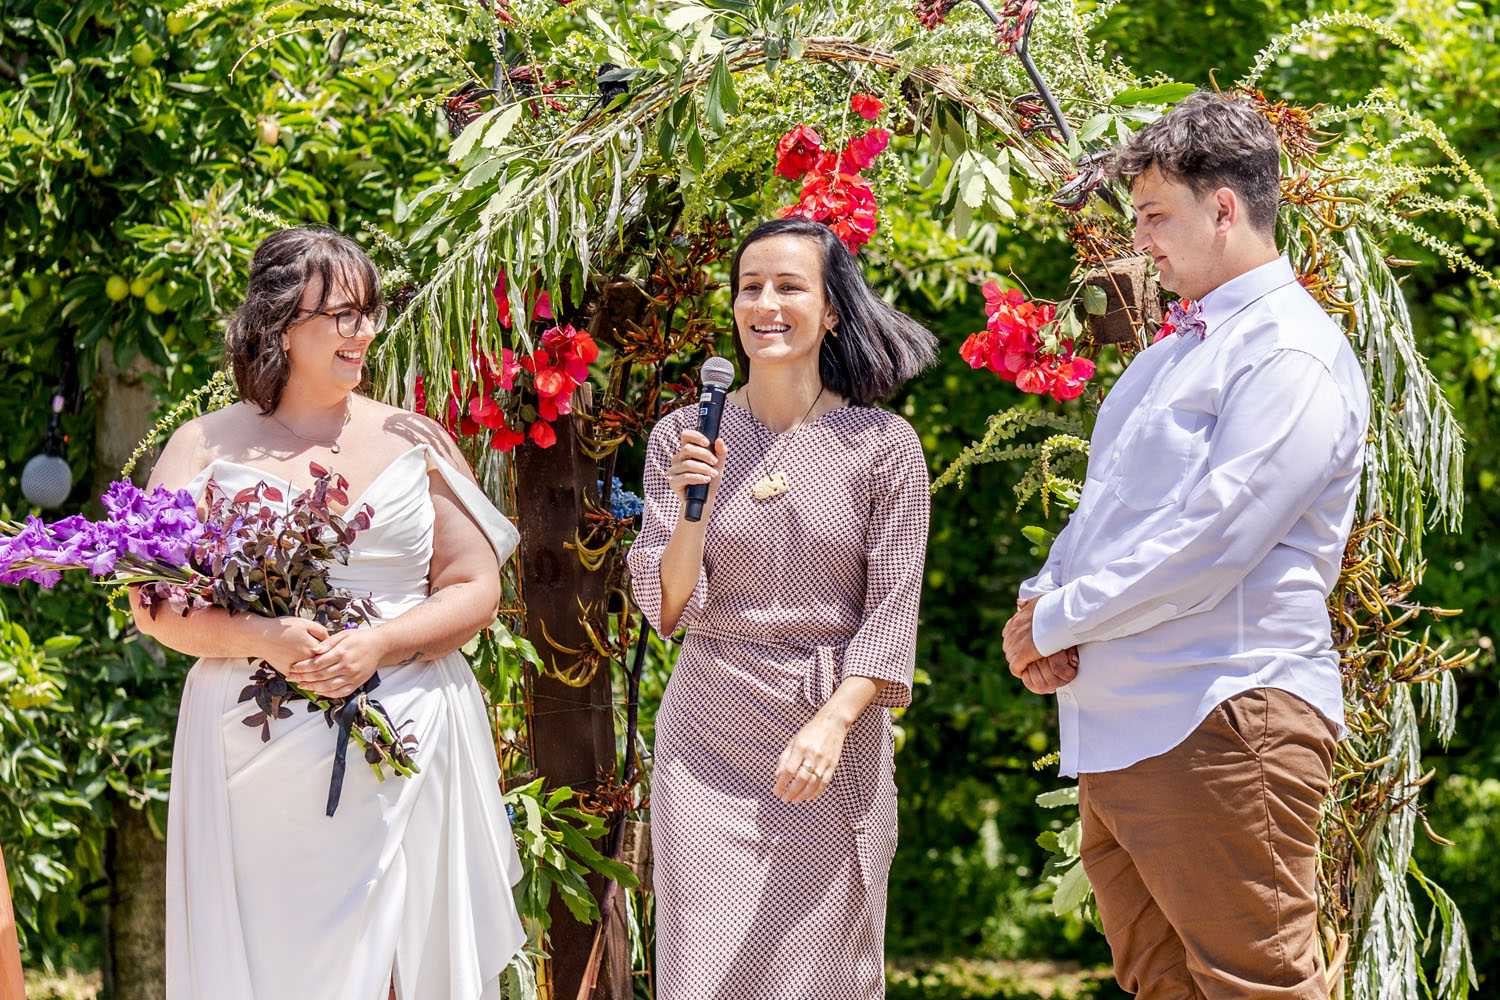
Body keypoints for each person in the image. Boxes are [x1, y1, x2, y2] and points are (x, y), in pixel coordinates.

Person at [1002, 92, 1369, 999]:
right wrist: (1041, 600)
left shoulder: (1288, 351)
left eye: (1155, 216)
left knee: (1256, 988)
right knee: (1162, 987)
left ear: (1224, 208)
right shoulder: (1171, 354)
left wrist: (1061, 620)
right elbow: (1107, 512)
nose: (1141, 240)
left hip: (1220, 716)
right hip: (1124, 731)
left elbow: (1216, 538)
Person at [131, 226, 526, 1000]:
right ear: (281, 325)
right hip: (251, 754)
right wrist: (264, 636)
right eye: (344, 314)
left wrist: (380, 644)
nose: (365, 331)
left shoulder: (414, 437)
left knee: (404, 966)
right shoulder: (201, 445)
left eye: (370, 312)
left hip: (406, 734)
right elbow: (156, 604)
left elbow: (475, 585)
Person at [627, 218, 937, 999]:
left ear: (830, 310)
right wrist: (694, 505)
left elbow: (893, 609)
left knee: (817, 970)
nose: (765, 304)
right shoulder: (681, 436)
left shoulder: (884, 445)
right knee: (701, 972)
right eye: (750, 287)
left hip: (830, 728)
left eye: (789, 286)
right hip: (708, 735)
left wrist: (833, 723)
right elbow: (669, 606)